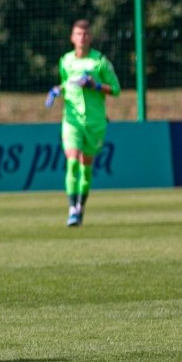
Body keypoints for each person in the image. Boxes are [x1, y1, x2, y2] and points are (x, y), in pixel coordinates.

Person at [45, 19, 121, 227]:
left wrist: (95, 85)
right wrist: (57, 90)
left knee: (86, 168)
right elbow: (66, 81)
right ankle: (71, 210)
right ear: (72, 37)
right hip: (71, 120)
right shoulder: (65, 61)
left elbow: (115, 89)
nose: (82, 38)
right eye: (78, 34)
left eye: (85, 34)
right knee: (71, 163)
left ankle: (80, 207)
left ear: (91, 37)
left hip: (95, 122)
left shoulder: (100, 62)